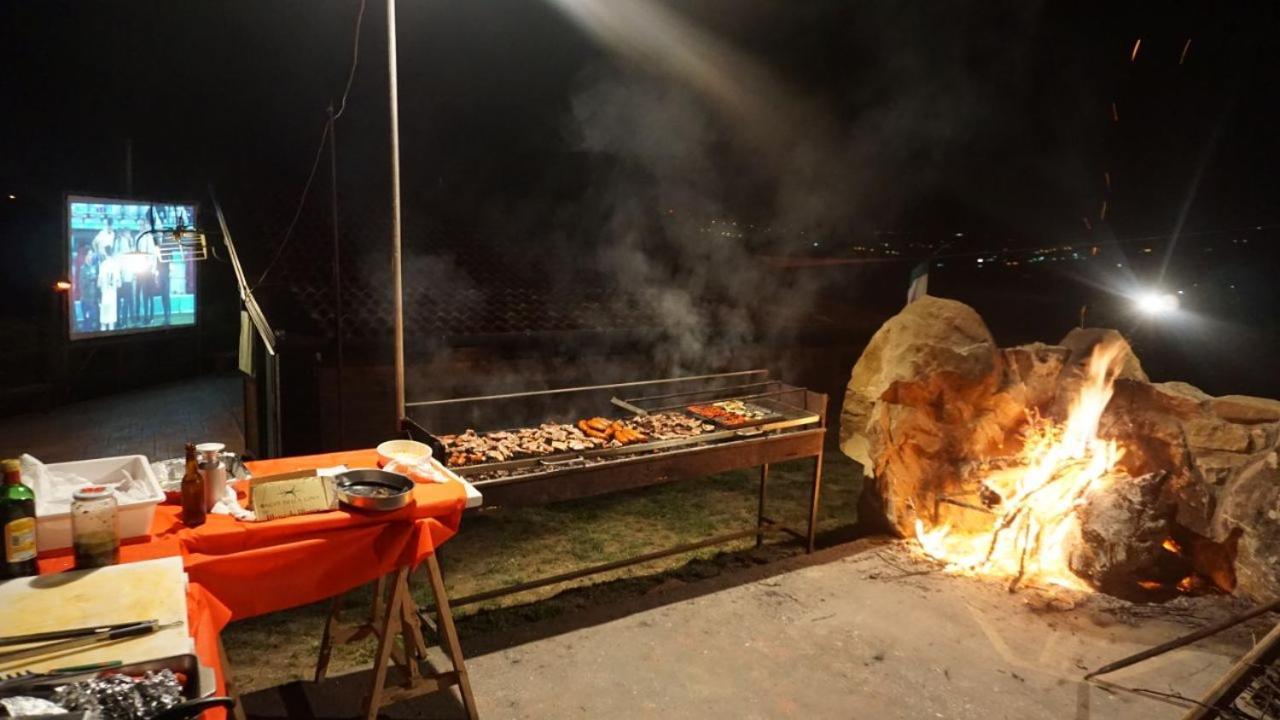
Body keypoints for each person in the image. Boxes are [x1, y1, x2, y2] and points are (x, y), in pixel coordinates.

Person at [115, 229, 136, 327]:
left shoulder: (117, 242)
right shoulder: (124, 243)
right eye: (128, 233)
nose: (129, 235)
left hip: (121, 278)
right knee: (126, 301)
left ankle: (120, 321)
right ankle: (123, 321)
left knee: (120, 301)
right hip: (125, 278)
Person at [98, 245, 120, 332]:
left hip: (105, 295)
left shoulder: (103, 265)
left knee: (103, 322)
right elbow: (119, 284)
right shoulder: (115, 264)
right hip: (113, 295)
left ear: (105, 252)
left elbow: (99, 283)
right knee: (111, 322)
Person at [79, 245, 100, 332]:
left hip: (94, 300)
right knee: (87, 322)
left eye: (92, 254)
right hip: (86, 300)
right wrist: (91, 278)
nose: (91, 256)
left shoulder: (94, 267)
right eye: (89, 254)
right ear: (86, 256)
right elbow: (82, 284)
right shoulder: (83, 269)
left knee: (95, 321)